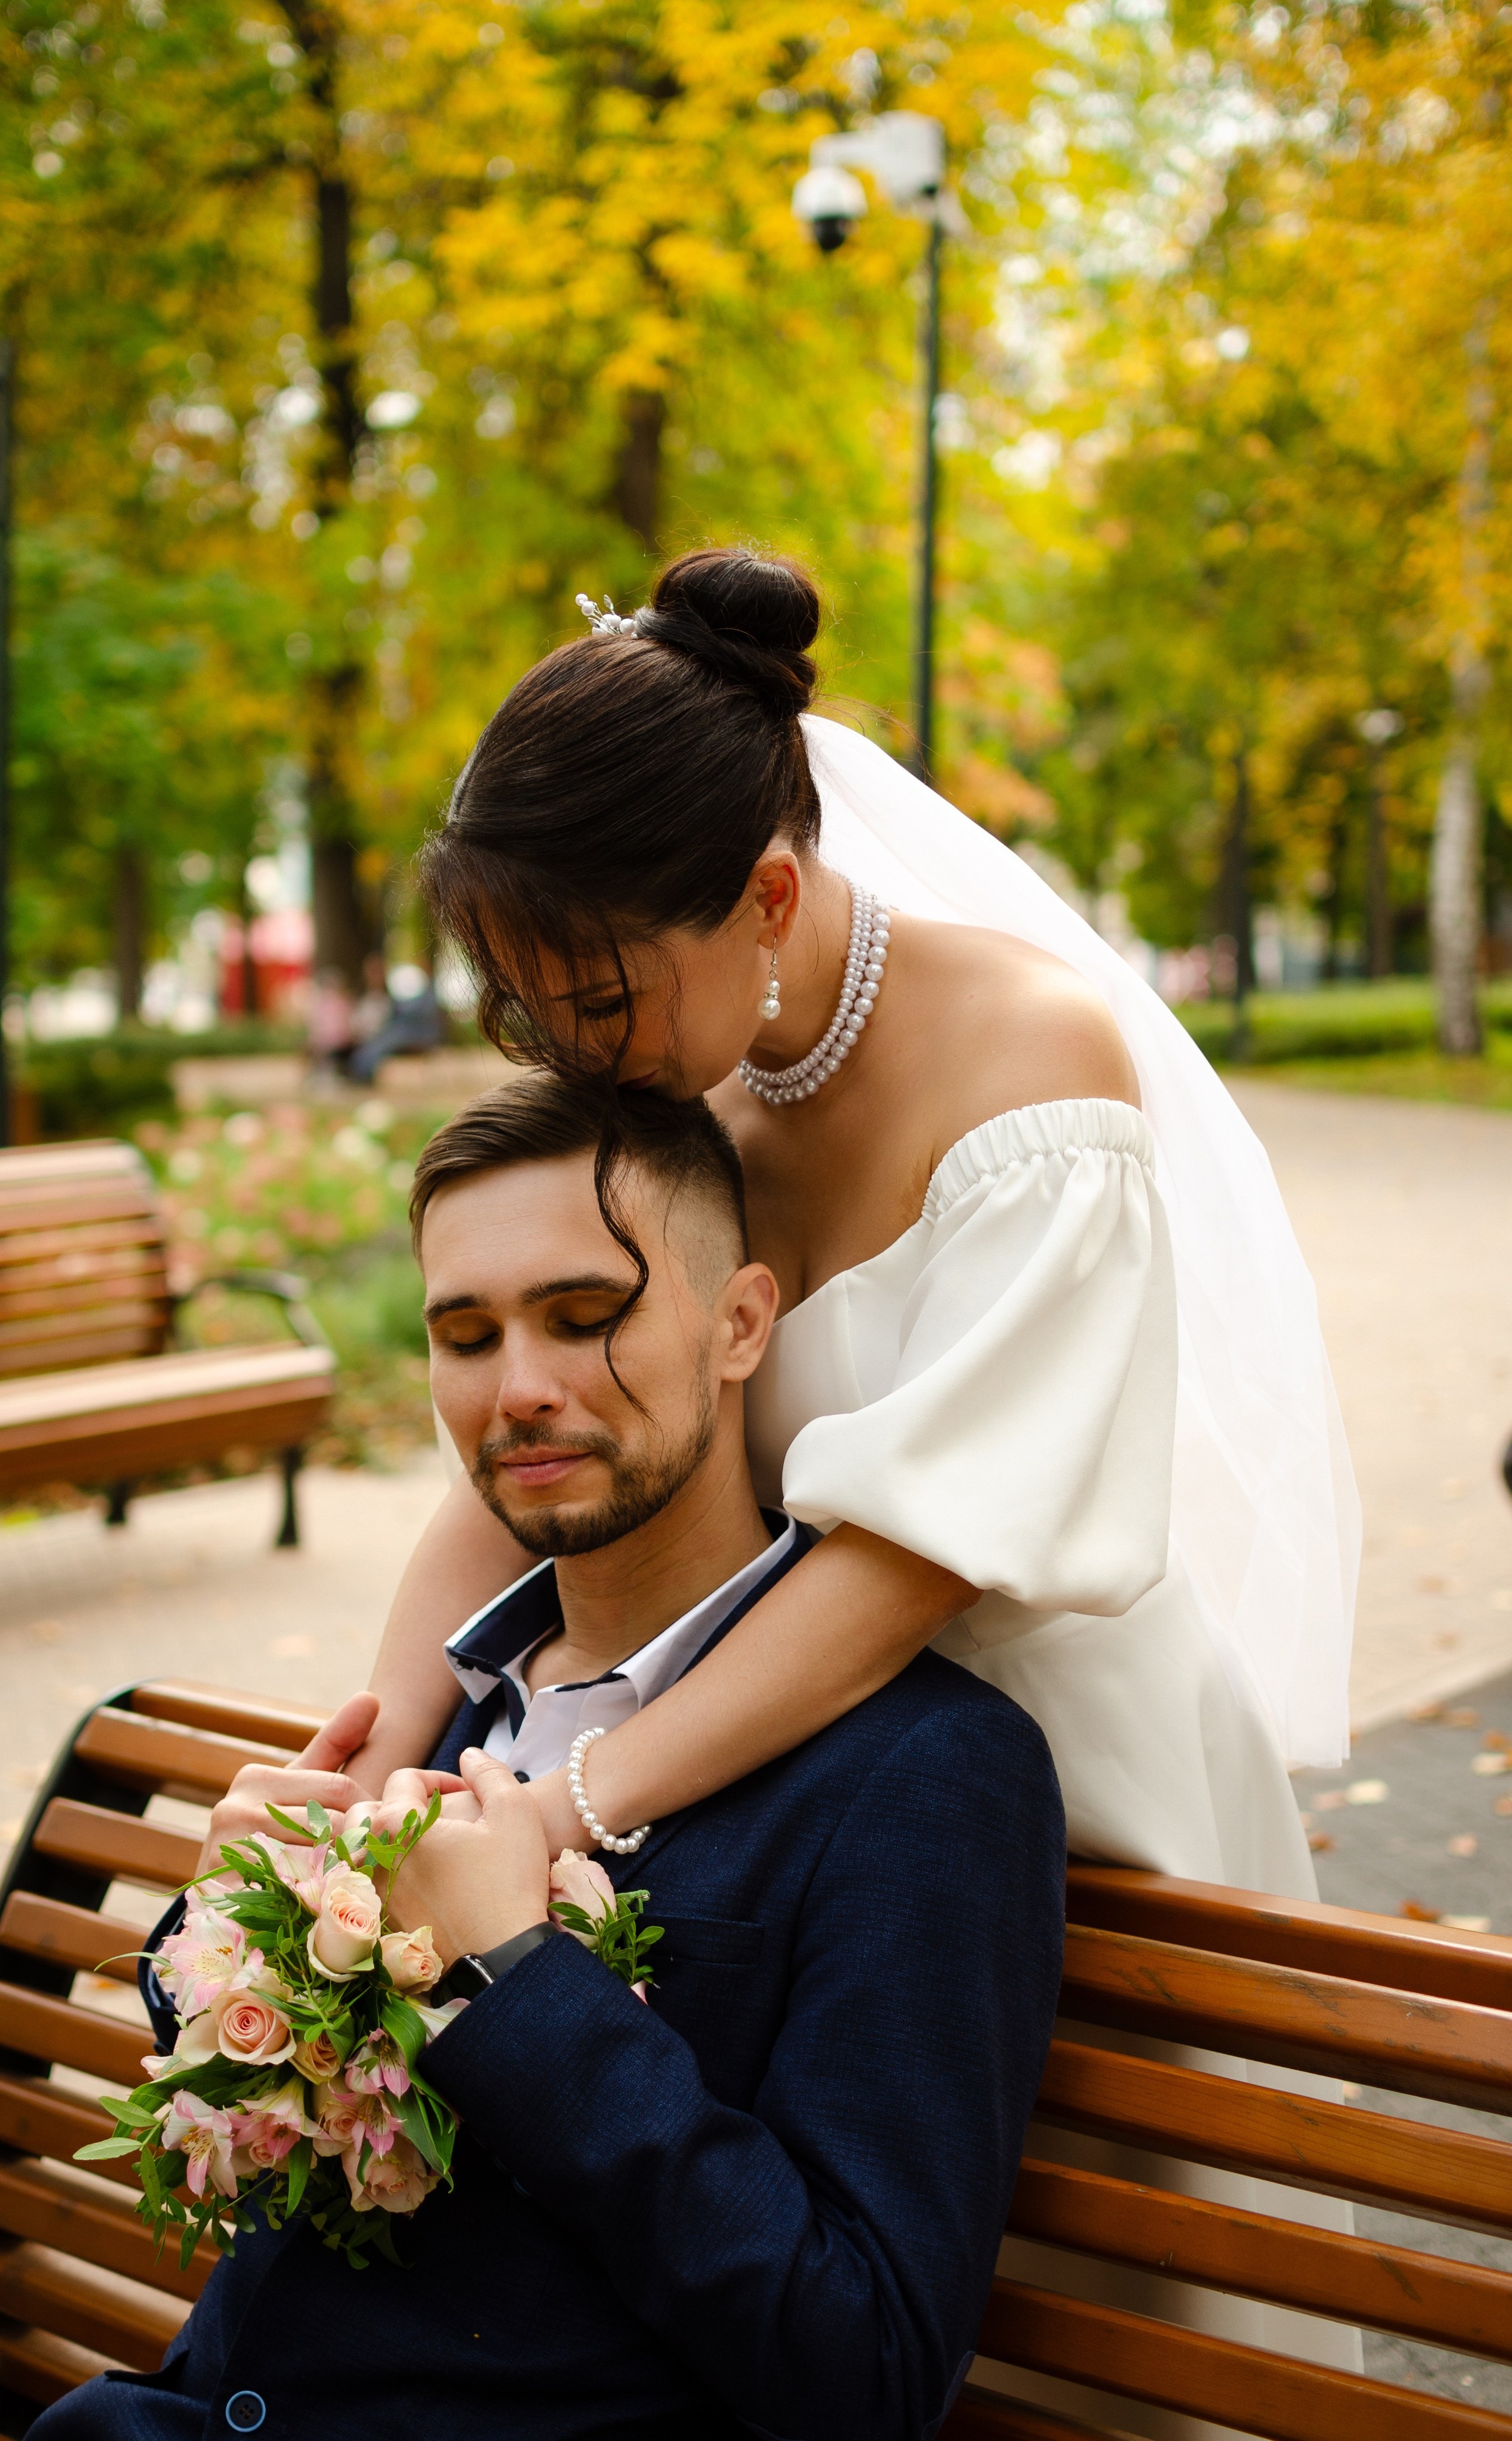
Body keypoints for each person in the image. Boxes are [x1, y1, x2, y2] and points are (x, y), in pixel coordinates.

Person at [332, 543, 1365, 2437]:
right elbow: (563, 1425)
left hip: (1030, 1769)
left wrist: (588, 1795)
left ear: (767, 895)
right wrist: (400, 1712)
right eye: (527, 1009)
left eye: (598, 998)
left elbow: (909, 1566)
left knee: (1102, 2320)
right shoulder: (680, 1072)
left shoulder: (1029, 1064)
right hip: (768, 1780)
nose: (574, 1053)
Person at [32, 1076, 1065, 2441]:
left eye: (585, 1317)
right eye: (466, 1335)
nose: (518, 1390)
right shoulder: (446, 1702)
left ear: (740, 1323)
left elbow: (862, 2365)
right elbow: (280, 2136)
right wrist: (224, 1932)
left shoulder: (926, 1773)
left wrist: (517, 1978)